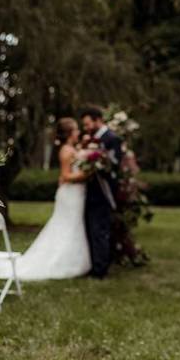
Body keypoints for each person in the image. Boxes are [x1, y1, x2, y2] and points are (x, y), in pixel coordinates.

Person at [2, 117, 91, 281]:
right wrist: (86, 174)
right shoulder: (66, 151)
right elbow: (65, 176)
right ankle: (63, 262)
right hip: (71, 194)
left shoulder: (73, 148)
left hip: (76, 193)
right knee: (67, 226)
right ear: (70, 133)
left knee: (73, 225)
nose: (79, 132)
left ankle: (73, 260)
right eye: (76, 129)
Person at [80, 106, 123, 278]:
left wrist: (97, 164)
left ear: (98, 120)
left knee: (100, 230)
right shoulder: (91, 139)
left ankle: (100, 269)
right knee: (92, 229)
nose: (86, 128)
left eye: (88, 124)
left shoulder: (112, 139)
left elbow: (114, 166)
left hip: (103, 192)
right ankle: (94, 264)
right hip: (90, 192)